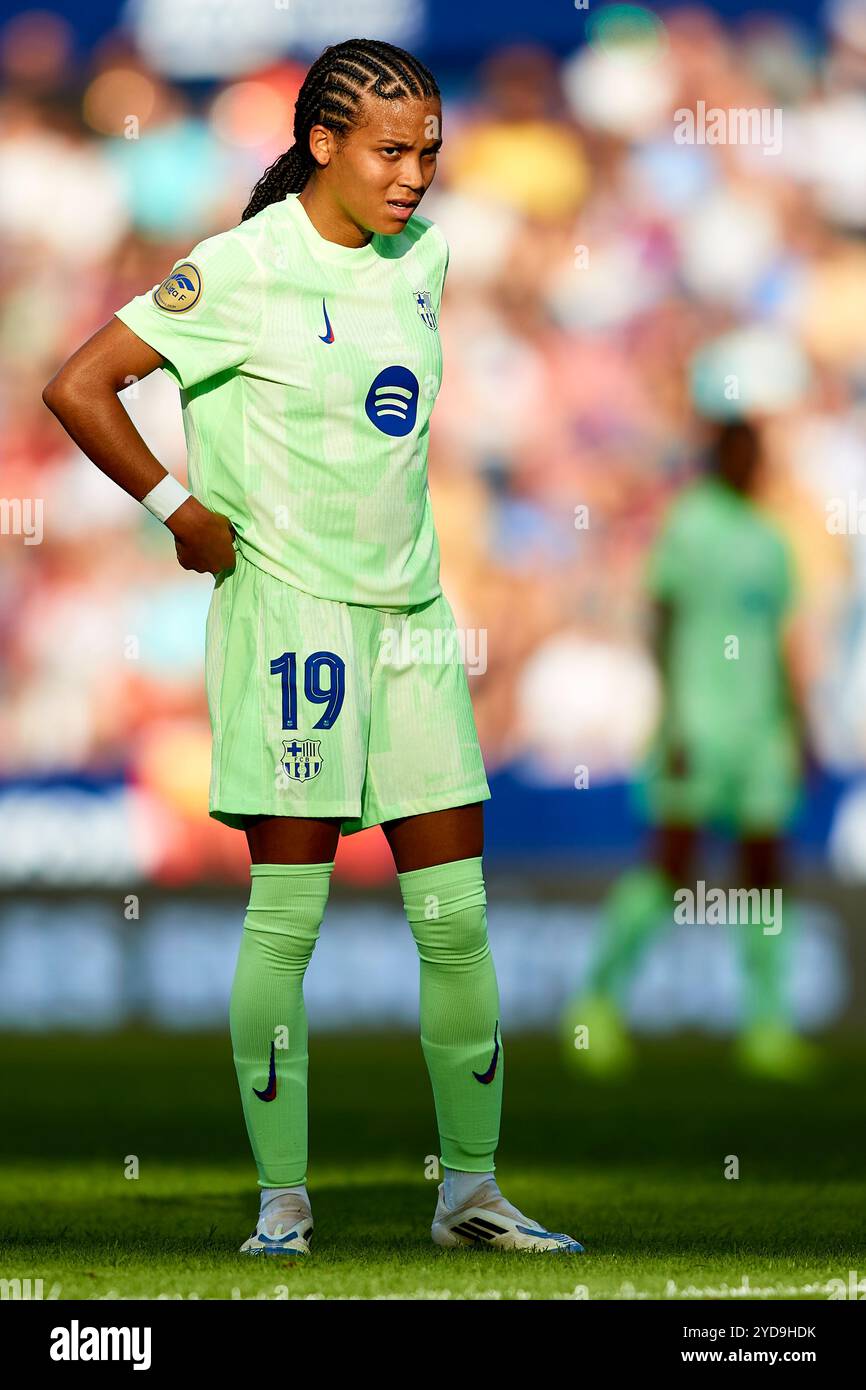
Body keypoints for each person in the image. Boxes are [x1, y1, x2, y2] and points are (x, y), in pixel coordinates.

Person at [43, 38, 582, 1256]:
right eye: (390, 150)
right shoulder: (236, 270)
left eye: (428, 151)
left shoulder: (426, 260)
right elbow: (80, 384)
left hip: (414, 626)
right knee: (287, 920)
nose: (413, 176)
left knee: (454, 919)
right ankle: (282, 1200)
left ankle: (472, 1195)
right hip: (291, 622)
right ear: (323, 143)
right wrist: (174, 509)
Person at [561, 419, 821, 1083]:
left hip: (761, 729)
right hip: (698, 723)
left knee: (764, 871)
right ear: (719, 457)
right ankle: (595, 1006)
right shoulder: (689, 524)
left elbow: (782, 639)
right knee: (670, 862)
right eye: (742, 452)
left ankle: (768, 1025)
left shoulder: (771, 539)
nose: (751, 465)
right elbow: (663, 620)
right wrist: (672, 718)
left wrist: (801, 726)